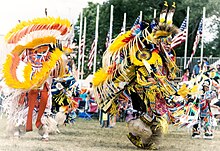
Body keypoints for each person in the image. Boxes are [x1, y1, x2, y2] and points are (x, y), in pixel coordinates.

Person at [1, 17, 73, 140]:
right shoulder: (26, 54)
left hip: (44, 89)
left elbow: (57, 73)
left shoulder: (52, 56)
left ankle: (44, 131)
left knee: (43, 110)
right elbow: (19, 67)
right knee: (22, 108)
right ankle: (17, 129)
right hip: (27, 89)